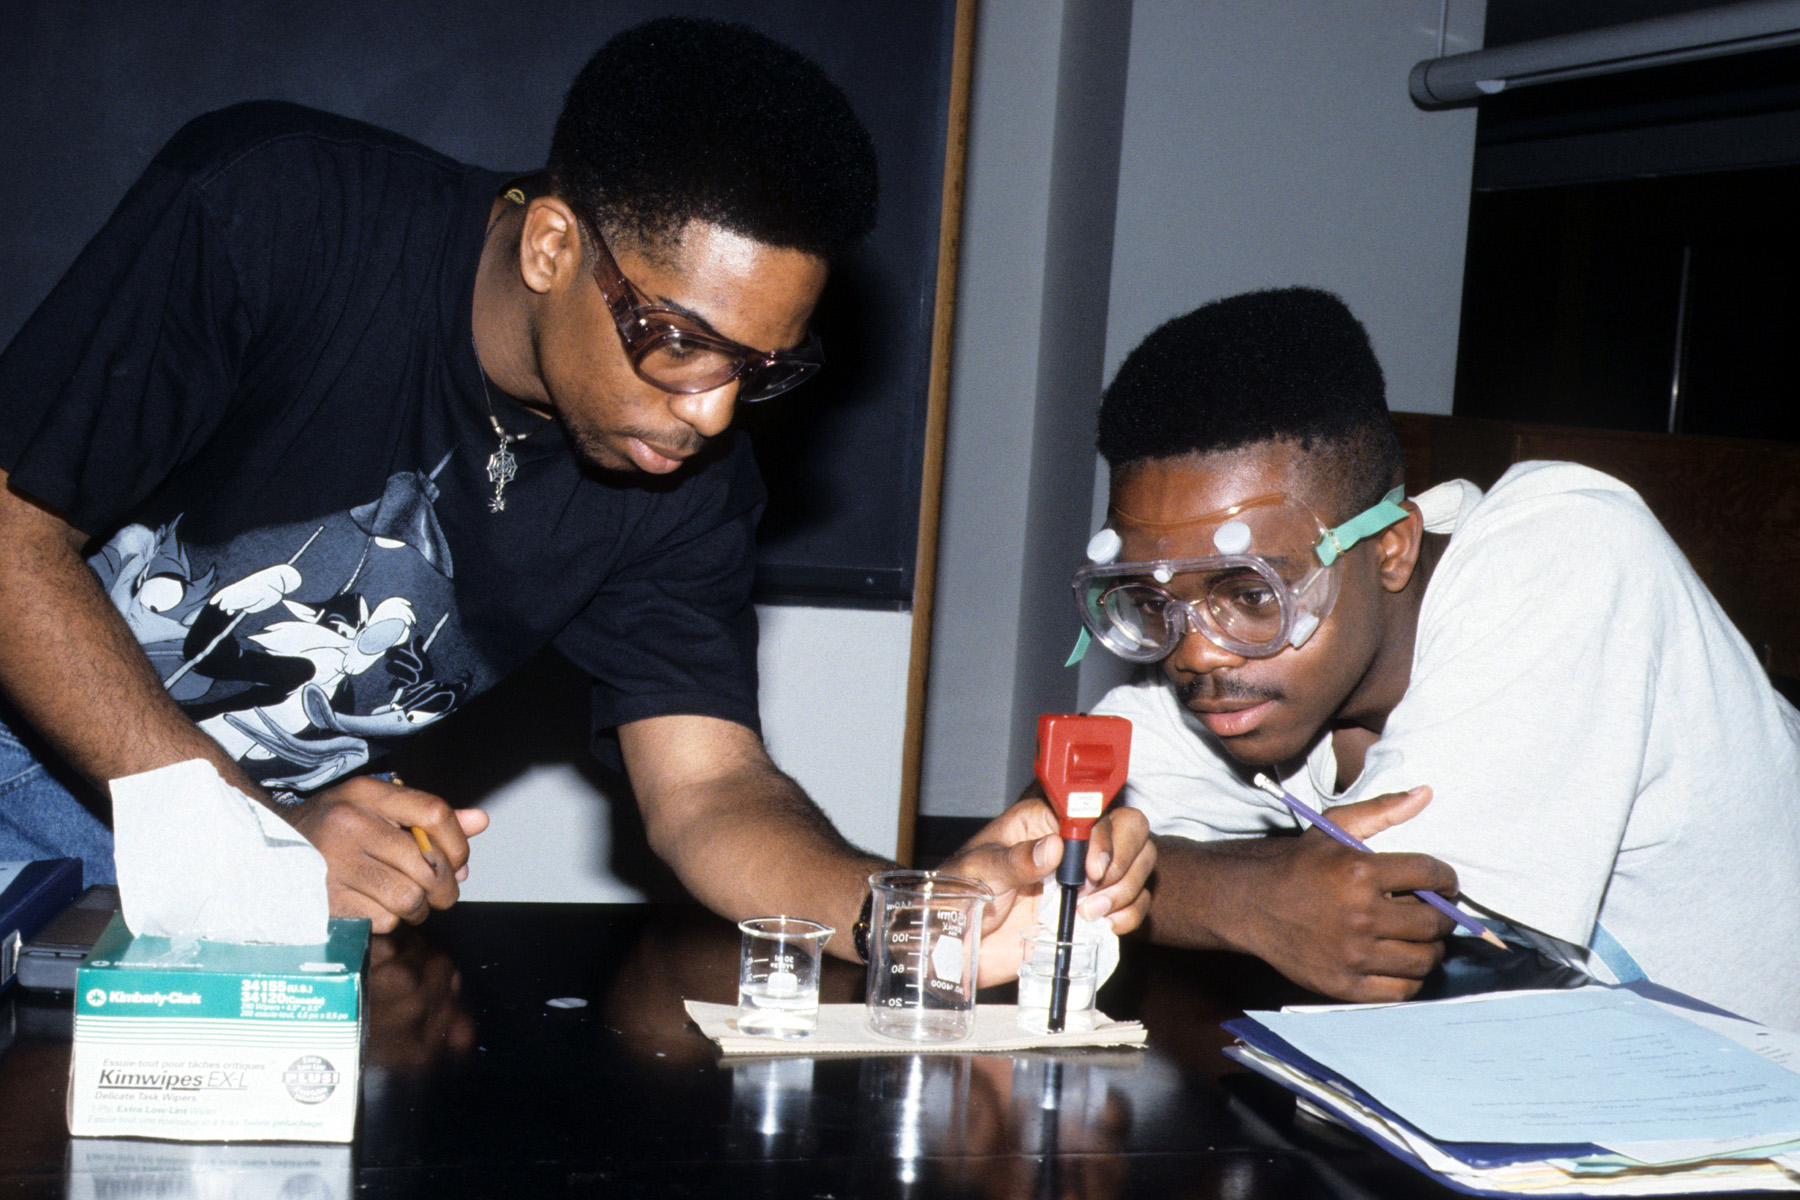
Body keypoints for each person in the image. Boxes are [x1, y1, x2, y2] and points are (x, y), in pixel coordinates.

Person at [0, 17, 1152, 977]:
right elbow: (11, 541)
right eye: (679, 342)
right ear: (552, 248)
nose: (714, 414)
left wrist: (917, 919)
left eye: (762, 370)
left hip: (269, 858)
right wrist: (257, 841)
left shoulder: (686, 477)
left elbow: (709, 788)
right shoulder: (280, 211)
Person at [1071, 286, 1800, 1028]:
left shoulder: (1569, 548)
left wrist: (1228, 892)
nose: (1195, 654)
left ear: (1391, 548)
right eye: (1153, 603)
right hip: (1580, 1072)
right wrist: (1254, 896)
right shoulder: (1256, 675)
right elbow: (1052, 843)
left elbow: (1377, 901)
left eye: (1253, 594)